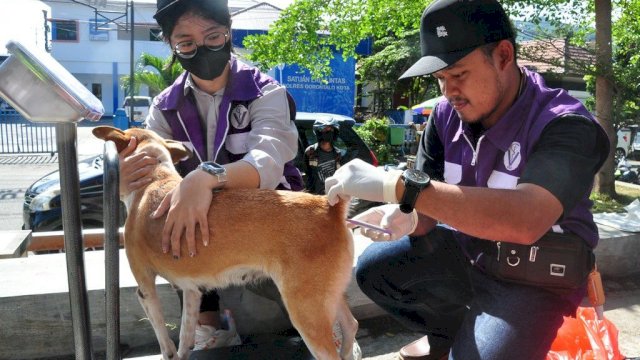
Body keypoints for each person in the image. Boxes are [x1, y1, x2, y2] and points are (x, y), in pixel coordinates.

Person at [325, 0, 609, 359]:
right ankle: (447, 338)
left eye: (458, 74)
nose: (448, 91)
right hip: (468, 256)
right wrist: (404, 214)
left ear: (504, 56)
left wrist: (399, 185)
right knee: (375, 270)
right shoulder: (445, 116)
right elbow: (427, 207)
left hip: (537, 277)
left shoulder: (565, 124)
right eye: (441, 79)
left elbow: (526, 220)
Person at [118, 0, 303, 351]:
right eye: (185, 42)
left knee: (290, 278)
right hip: (199, 228)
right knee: (162, 218)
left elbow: (267, 161)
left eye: (212, 36)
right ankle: (208, 326)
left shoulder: (265, 92)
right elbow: (148, 173)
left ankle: (321, 322)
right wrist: (126, 181)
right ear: (172, 47)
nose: (200, 48)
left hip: (264, 218)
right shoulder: (163, 107)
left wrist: (206, 177)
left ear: (228, 33)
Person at [303, 118, 344, 194]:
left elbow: (339, 175)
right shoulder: (311, 152)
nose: (328, 132)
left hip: (331, 194)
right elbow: (307, 173)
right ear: (319, 132)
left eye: (331, 130)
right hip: (314, 196)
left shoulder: (337, 153)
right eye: (325, 130)